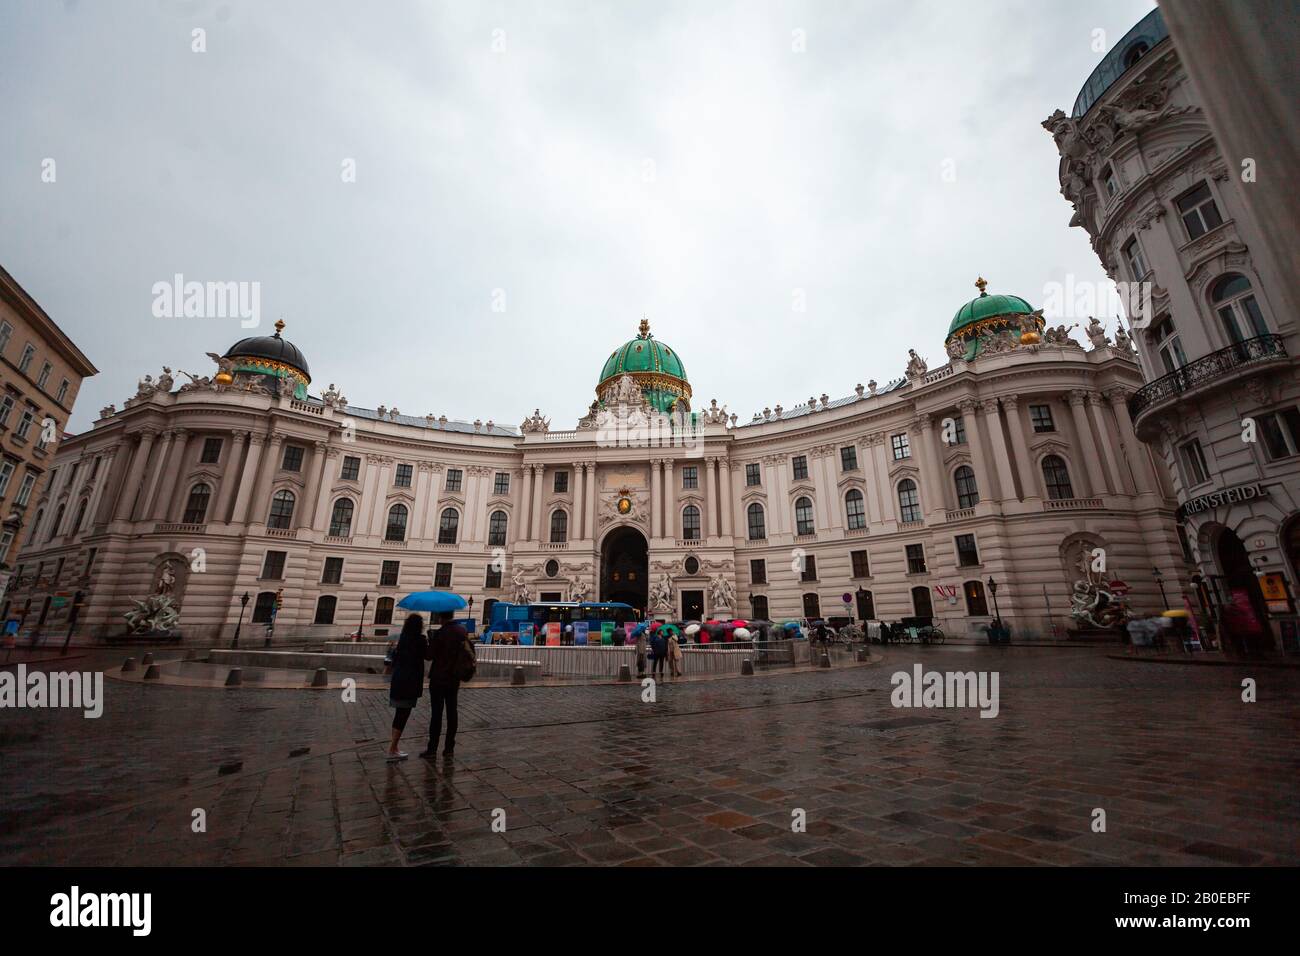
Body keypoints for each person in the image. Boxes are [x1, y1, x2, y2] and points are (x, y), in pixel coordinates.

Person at [421, 611, 470, 761]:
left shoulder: (441, 633)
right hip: (454, 677)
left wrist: (429, 640)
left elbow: (429, 655)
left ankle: (432, 748)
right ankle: (449, 748)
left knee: (436, 713)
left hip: (439, 677)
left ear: (441, 618)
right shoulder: (462, 631)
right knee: (452, 712)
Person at [387, 614, 428, 762]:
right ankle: (392, 748)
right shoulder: (420, 640)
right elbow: (428, 655)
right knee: (403, 714)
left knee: (400, 714)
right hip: (410, 681)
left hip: (398, 679)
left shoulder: (403, 639)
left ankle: (394, 747)